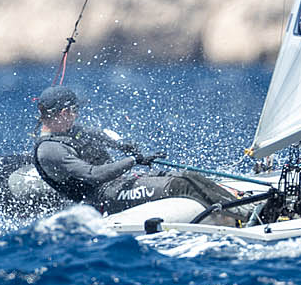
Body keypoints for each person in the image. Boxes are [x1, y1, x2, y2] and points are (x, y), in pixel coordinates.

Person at [31, 86, 235, 215]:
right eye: (75, 110)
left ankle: (238, 206)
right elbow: (92, 175)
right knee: (181, 185)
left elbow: (102, 135)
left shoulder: (71, 130)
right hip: (104, 197)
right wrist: (133, 160)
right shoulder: (50, 149)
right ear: (66, 112)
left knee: (188, 175)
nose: (77, 115)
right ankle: (244, 214)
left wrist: (125, 145)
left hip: (119, 183)